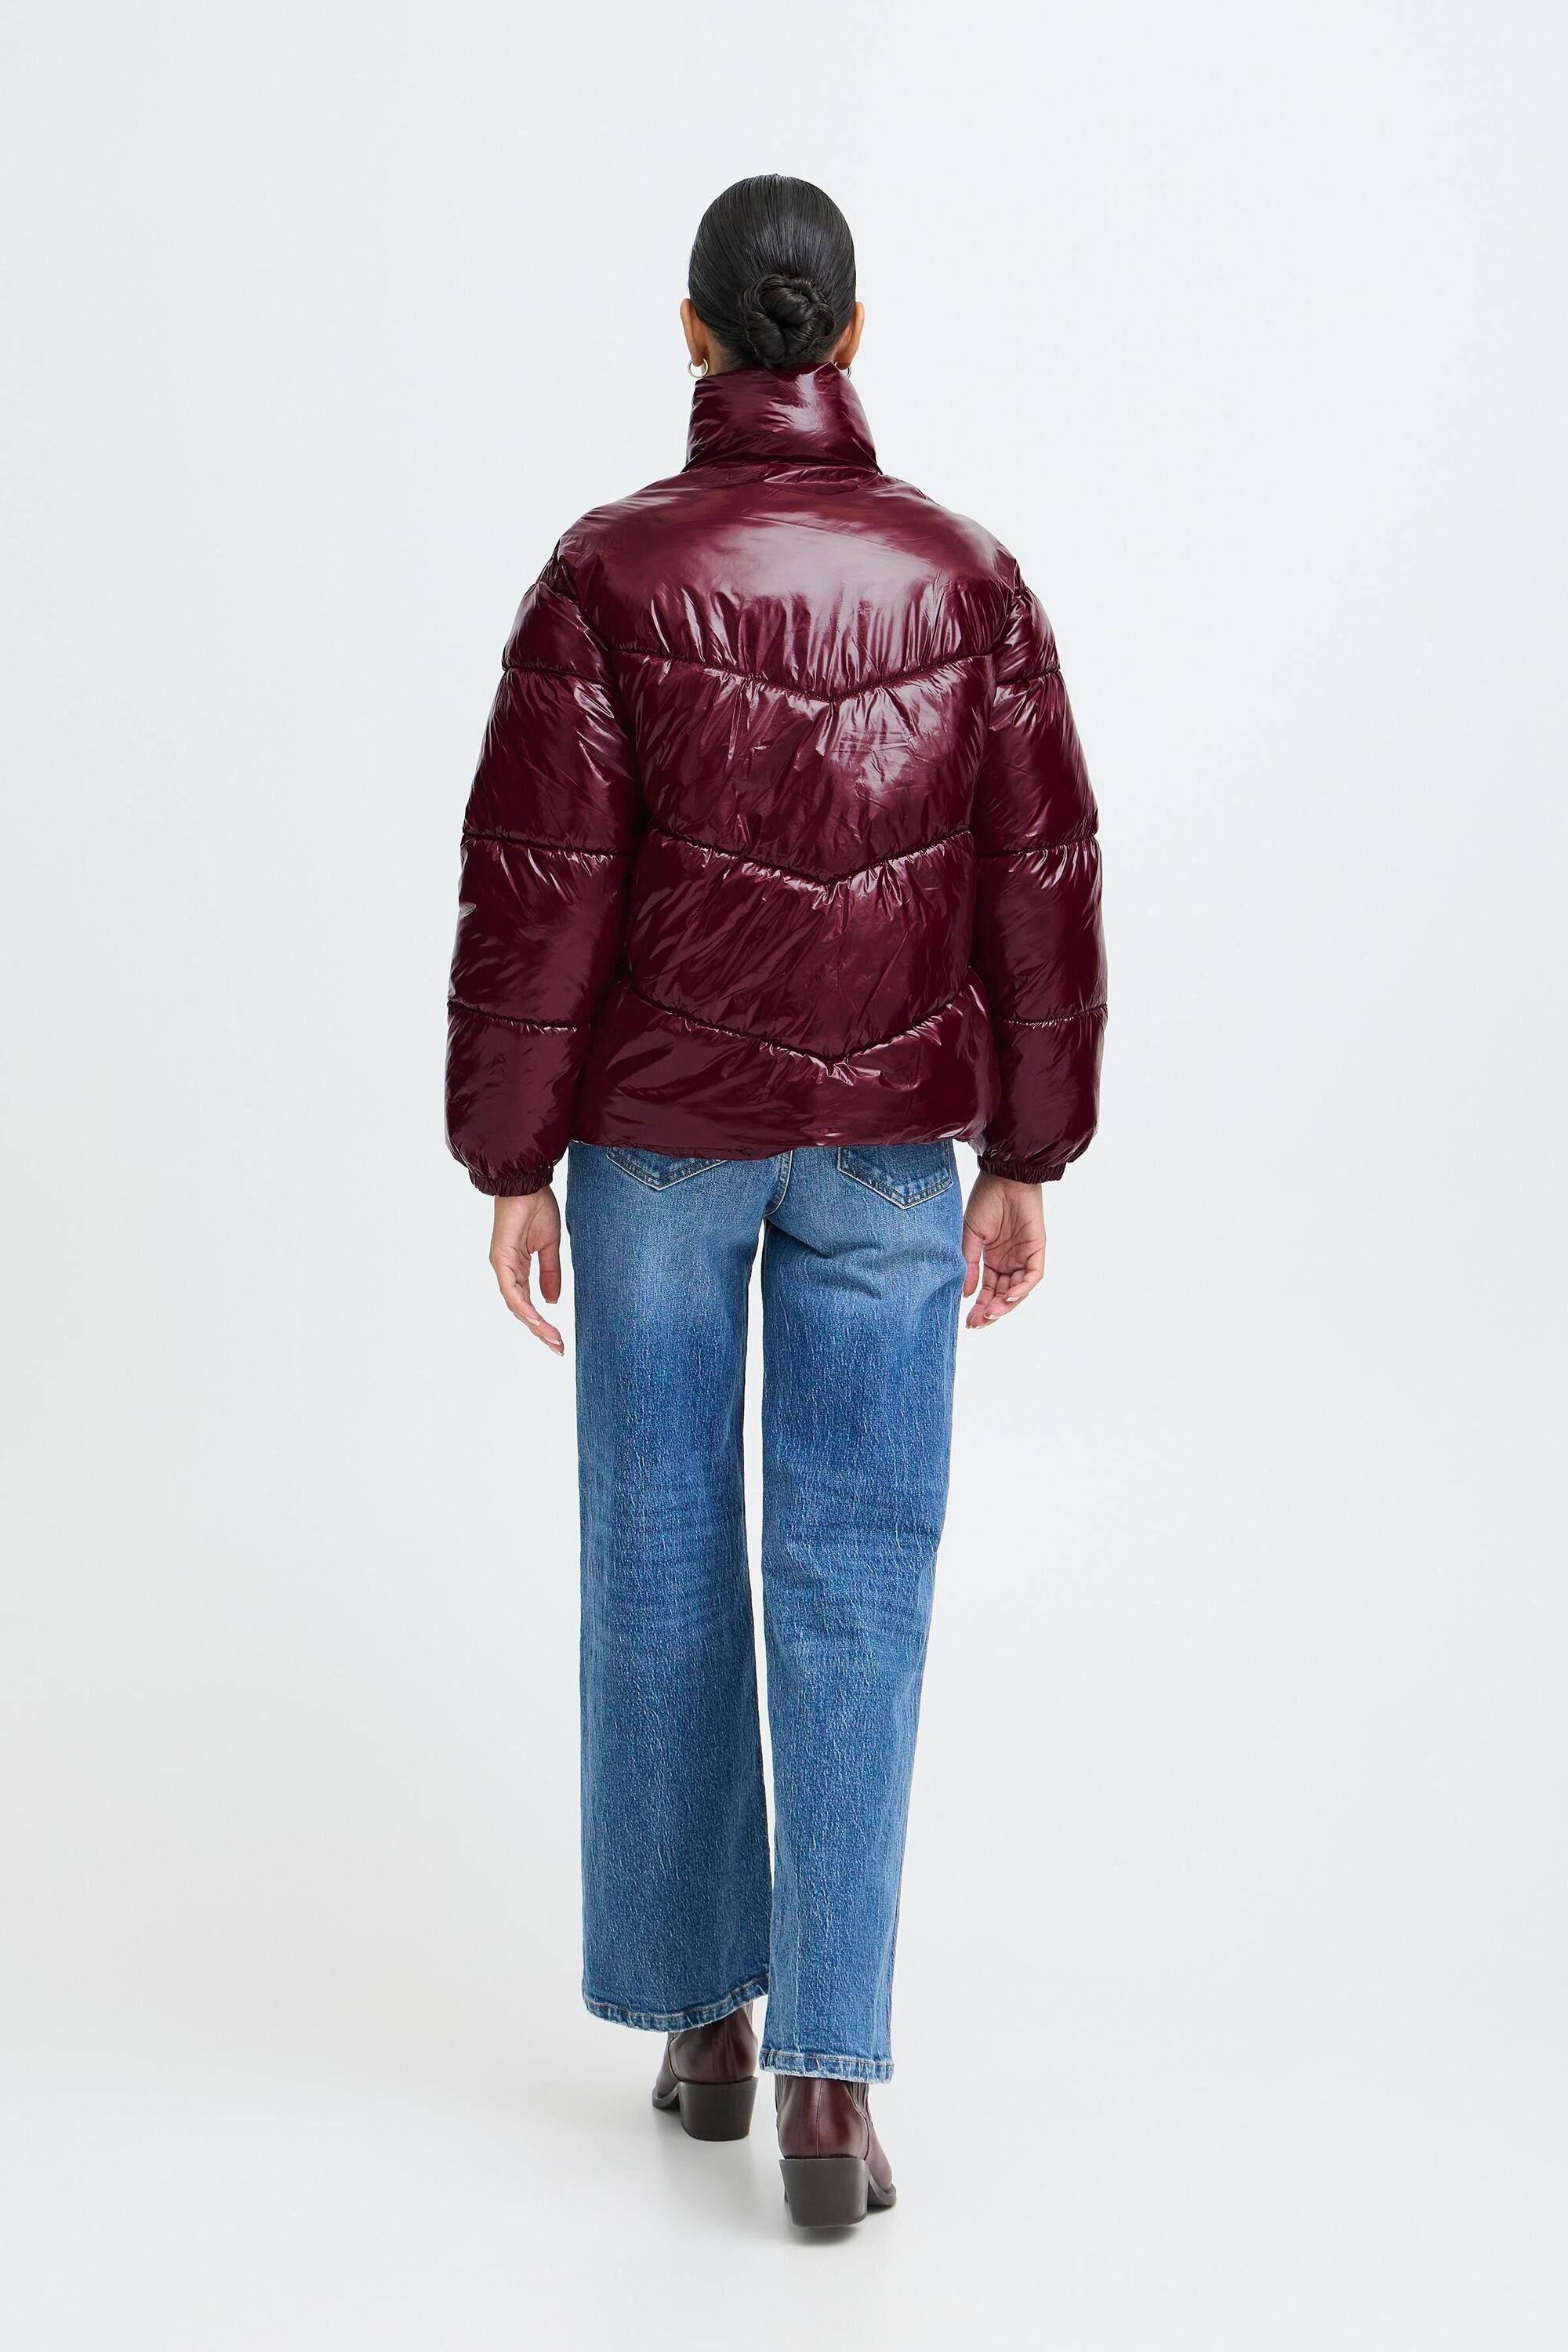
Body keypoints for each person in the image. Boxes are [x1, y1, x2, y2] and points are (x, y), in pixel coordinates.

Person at [445, 173, 1105, 2229]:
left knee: (659, 1553)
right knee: (859, 1577)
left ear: (695, 331)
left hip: (654, 1145)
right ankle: (836, 2081)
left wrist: (511, 1153)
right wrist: (1029, 1147)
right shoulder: (968, 577)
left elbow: (538, 886)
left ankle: (705, 2028)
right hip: (896, 1142)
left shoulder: (606, 572)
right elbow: (1042, 879)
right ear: (855, 335)